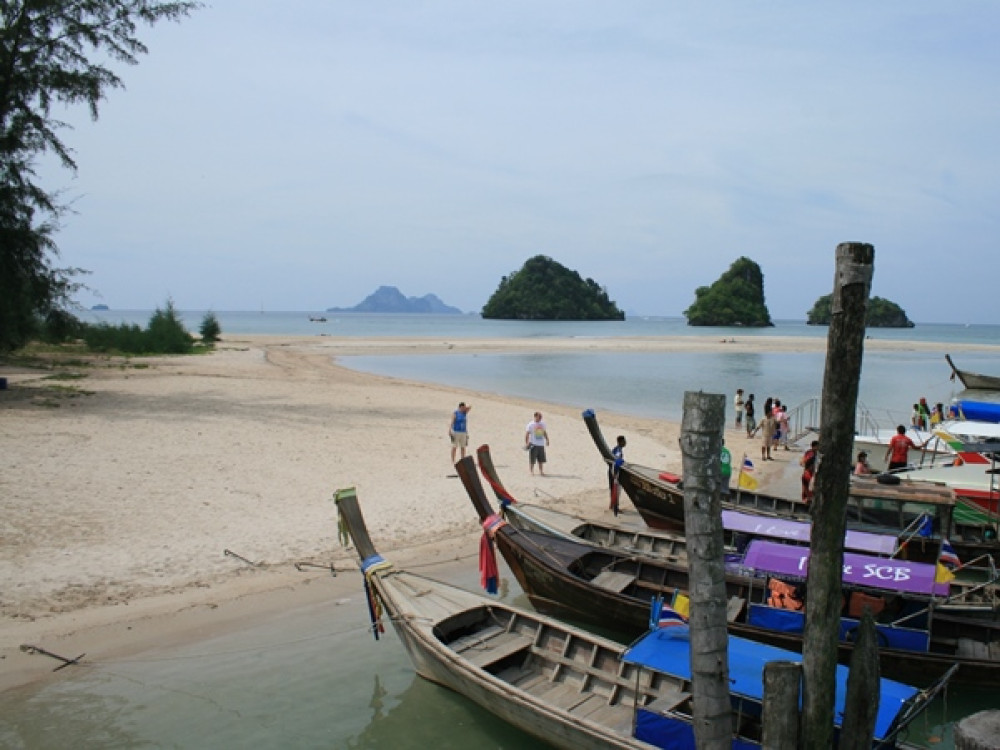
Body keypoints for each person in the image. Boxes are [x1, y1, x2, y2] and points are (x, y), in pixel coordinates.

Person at [525, 411, 550, 476]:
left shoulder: (543, 424)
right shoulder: (530, 424)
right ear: (535, 417)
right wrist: (527, 443)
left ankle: (541, 471)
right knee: (532, 459)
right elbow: (527, 434)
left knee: (541, 459)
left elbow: (544, 432)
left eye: (541, 417)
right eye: (539, 417)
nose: (540, 418)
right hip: (533, 444)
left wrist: (547, 440)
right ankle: (531, 471)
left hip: (541, 444)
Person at [609, 435, 626, 510]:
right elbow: (616, 462)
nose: (625, 442)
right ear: (620, 442)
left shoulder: (616, 449)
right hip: (614, 472)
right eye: (624, 441)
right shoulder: (618, 451)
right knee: (616, 490)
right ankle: (615, 507)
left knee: (613, 489)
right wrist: (615, 474)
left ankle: (612, 505)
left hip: (611, 471)